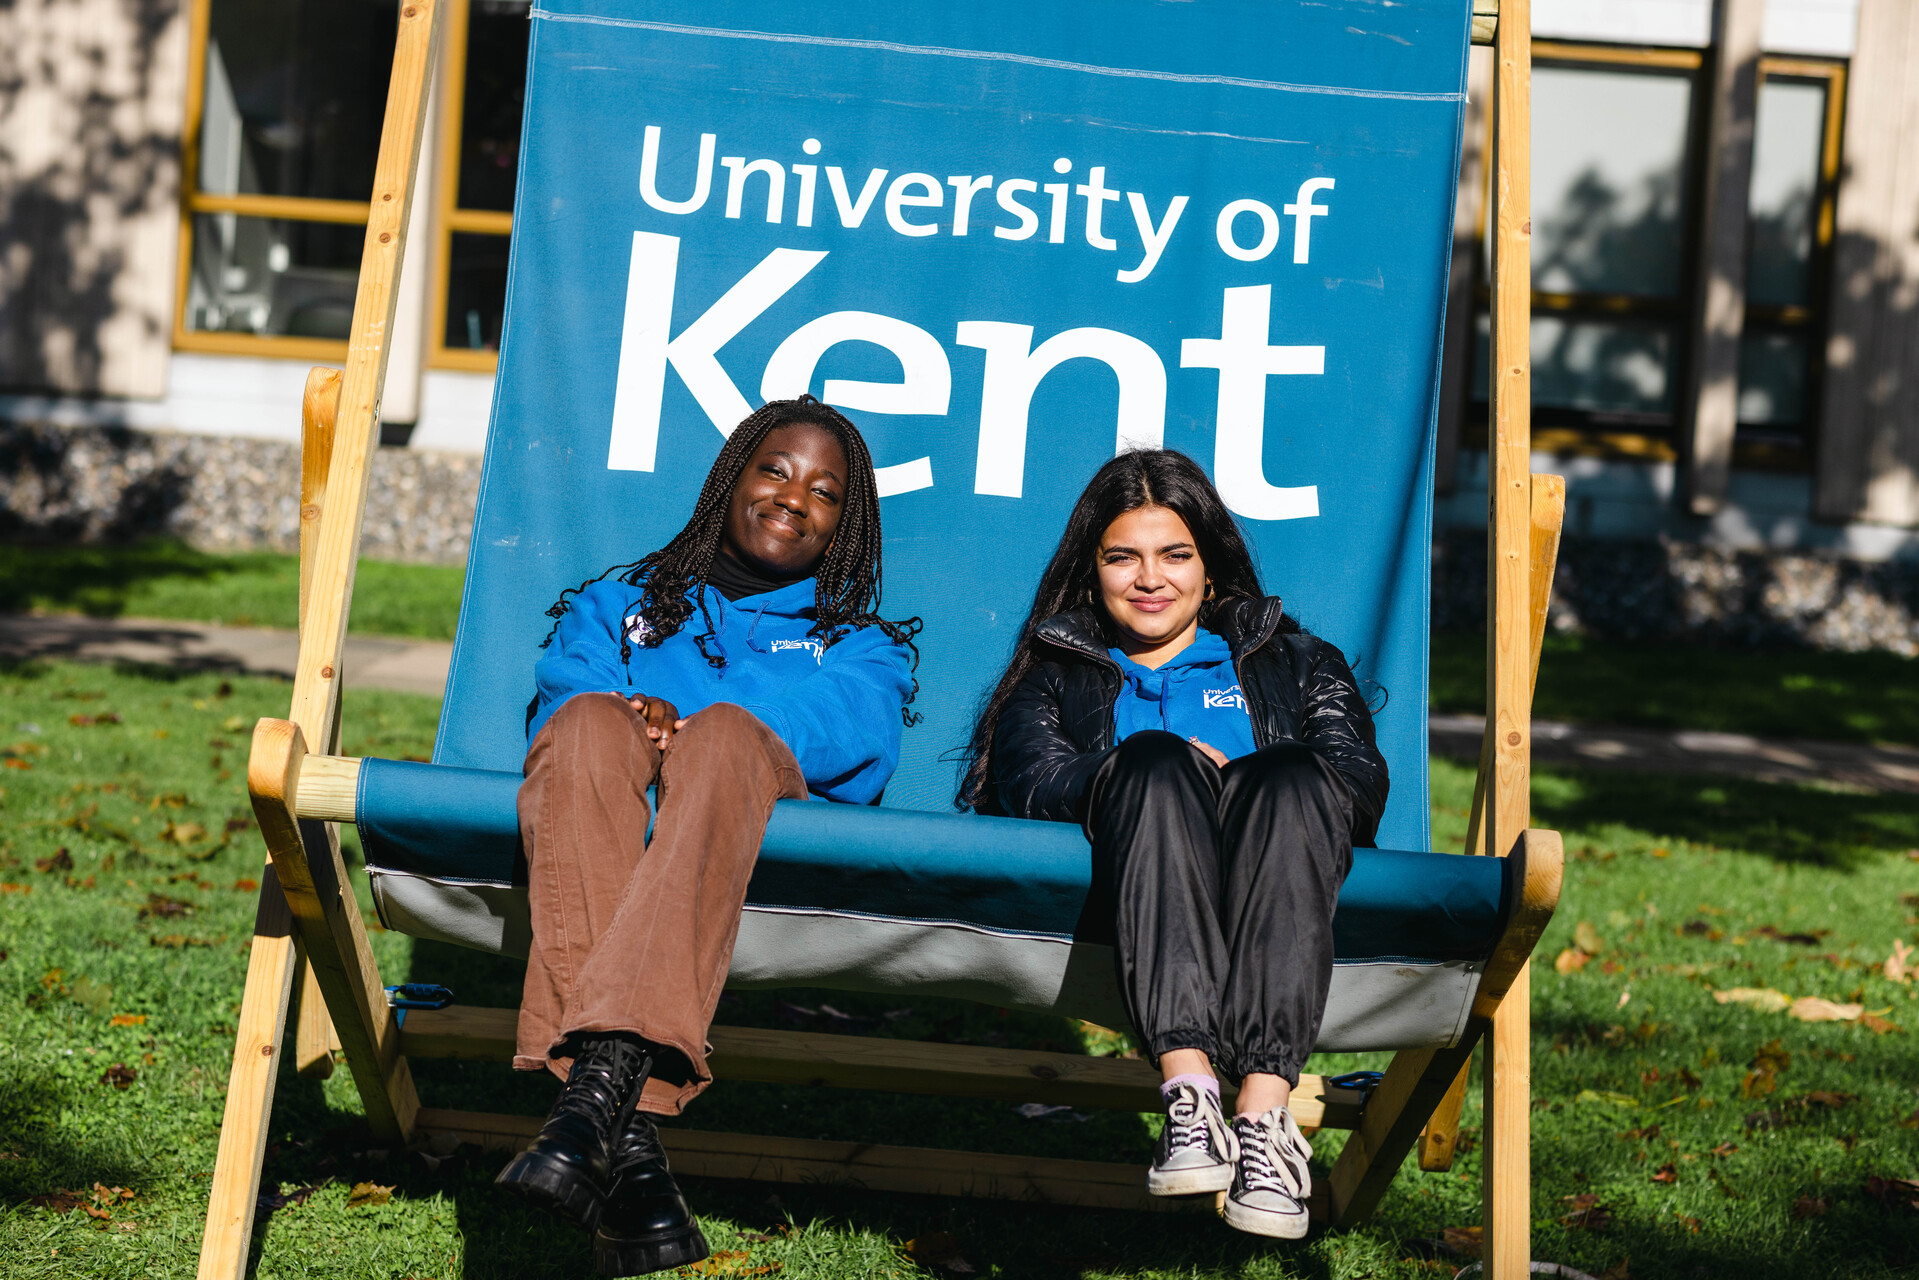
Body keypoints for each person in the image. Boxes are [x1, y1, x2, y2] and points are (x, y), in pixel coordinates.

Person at [498, 396, 920, 1277]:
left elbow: (857, 739)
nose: (794, 497)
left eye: (825, 492)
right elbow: (564, 693)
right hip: (602, 826)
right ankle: (626, 1138)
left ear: (845, 527)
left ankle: (588, 1105)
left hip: (758, 863)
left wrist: (701, 726)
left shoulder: (858, 647)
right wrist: (625, 708)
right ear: (731, 480)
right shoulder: (617, 606)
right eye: (776, 471)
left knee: (728, 738)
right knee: (587, 722)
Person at [958, 449, 1387, 1240]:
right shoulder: (1057, 671)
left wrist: (1234, 791)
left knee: (1291, 773)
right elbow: (1029, 782)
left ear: (1210, 569)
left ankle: (1262, 1116)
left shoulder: (1298, 664)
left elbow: (1356, 787)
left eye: (1174, 555)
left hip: (1280, 879)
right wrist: (1160, 775)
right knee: (1154, 761)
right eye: (1122, 557)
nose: (1149, 578)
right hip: (1126, 895)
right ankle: (1189, 1091)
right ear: (1092, 573)